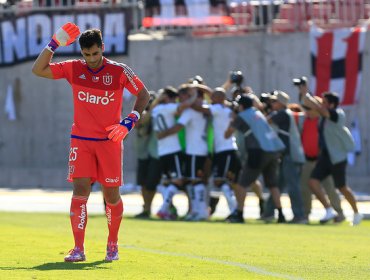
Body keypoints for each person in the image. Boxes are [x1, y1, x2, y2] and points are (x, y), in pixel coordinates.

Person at [32, 23, 150, 261]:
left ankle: (112, 244)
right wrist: (54, 42)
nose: (91, 59)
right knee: (80, 191)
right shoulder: (74, 68)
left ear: (102, 48)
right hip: (81, 141)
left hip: (109, 140)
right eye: (86, 54)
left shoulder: (119, 71)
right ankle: (78, 248)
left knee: (111, 196)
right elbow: (38, 69)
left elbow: (144, 94)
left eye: (95, 53)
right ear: (82, 52)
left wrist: (129, 121)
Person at [303, 92, 363, 226]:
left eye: (325, 102)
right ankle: (329, 209)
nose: (322, 104)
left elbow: (320, 110)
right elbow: (311, 111)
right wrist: (303, 94)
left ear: (332, 104)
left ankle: (356, 213)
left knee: (341, 187)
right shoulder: (323, 115)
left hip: (338, 157)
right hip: (326, 156)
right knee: (312, 182)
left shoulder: (338, 114)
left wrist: (308, 95)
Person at [225, 94, 286, 223]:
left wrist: (232, 120)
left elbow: (227, 134)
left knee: (242, 184)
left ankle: (239, 213)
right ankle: (281, 214)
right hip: (273, 150)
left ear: (241, 106)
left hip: (257, 151)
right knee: (273, 185)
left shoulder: (242, 116)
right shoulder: (257, 113)